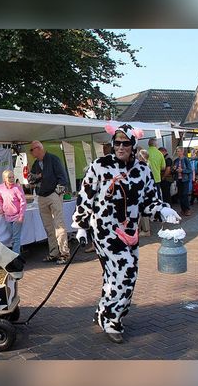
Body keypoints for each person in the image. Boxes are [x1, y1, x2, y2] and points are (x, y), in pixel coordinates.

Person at [72, 125, 180, 343]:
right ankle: (112, 320)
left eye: (126, 143)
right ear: (113, 144)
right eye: (117, 143)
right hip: (105, 231)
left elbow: (150, 201)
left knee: (113, 276)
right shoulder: (99, 166)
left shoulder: (143, 170)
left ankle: (103, 311)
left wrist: (163, 210)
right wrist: (82, 225)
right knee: (126, 273)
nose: (121, 147)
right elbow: (86, 196)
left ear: (133, 145)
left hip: (130, 233)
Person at [28, 140, 71, 264]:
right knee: (48, 227)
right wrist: (37, 177)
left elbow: (63, 178)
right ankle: (54, 253)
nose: (31, 152)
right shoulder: (36, 163)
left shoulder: (53, 159)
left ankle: (64, 253)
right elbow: (31, 180)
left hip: (53, 194)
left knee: (59, 224)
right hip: (42, 196)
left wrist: (57, 194)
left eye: (31, 150)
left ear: (38, 148)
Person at [0, 169, 27, 255]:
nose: (12, 179)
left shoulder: (17, 188)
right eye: (9, 177)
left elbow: (23, 202)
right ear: (4, 179)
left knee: (16, 238)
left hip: (17, 216)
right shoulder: (0, 187)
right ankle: (16, 256)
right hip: (7, 216)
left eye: (13, 177)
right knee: (13, 238)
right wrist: (1, 209)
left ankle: (15, 257)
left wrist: (21, 216)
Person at [136, 149, 153, 236]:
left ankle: (146, 230)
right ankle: (140, 229)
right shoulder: (147, 164)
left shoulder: (144, 166)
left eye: (138, 156)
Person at [172, 146, 193, 216]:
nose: (177, 152)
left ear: (182, 152)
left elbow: (190, 170)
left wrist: (182, 170)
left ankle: (187, 209)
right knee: (180, 195)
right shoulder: (176, 160)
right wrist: (174, 169)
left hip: (185, 180)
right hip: (179, 179)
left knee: (185, 195)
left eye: (178, 151)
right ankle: (183, 209)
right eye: (177, 151)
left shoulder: (186, 160)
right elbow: (174, 169)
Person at [145, 138, 166, 203]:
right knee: (158, 195)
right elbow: (163, 167)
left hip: (146, 178)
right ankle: (159, 209)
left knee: (148, 195)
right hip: (156, 178)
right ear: (156, 144)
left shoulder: (145, 152)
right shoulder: (160, 153)